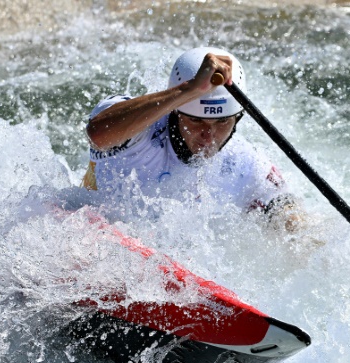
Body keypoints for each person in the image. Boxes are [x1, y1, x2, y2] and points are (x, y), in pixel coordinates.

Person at [83, 46, 301, 231]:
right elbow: (98, 134)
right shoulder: (140, 128)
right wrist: (190, 90)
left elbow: (286, 207)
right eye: (196, 122)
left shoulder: (243, 161)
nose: (209, 136)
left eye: (222, 123)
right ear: (175, 111)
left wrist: (297, 228)